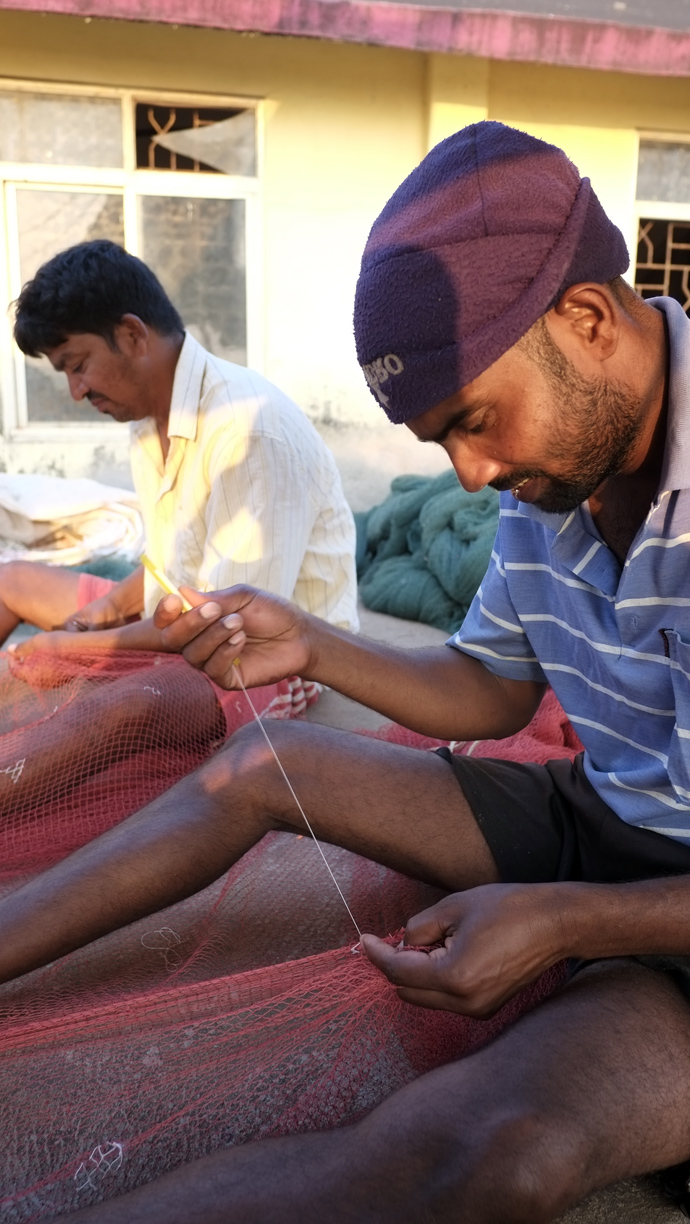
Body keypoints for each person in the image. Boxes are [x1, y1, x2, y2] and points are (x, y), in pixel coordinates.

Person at [5, 121, 690, 1223]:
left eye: (476, 422)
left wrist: (568, 922)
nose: (473, 474)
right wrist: (317, 644)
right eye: (441, 442)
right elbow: (490, 689)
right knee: (258, 765)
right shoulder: (553, 471)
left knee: (491, 1154)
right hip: (597, 813)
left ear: (588, 318)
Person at [0, 240, 357, 734]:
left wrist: (74, 647)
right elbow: (173, 560)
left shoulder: (249, 430)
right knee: (11, 582)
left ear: (132, 335)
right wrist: (111, 607)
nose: (76, 391)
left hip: (263, 658)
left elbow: (224, 624)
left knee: (120, 707)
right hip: (181, 622)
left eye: (77, 365)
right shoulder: (147, 419)